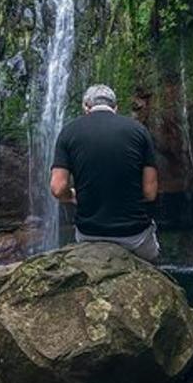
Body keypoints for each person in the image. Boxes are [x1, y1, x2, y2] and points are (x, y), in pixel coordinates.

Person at [50, 84, 160, 261]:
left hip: (90, 234)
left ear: (86, 106)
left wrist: (71, 195)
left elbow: (57, 188)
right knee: (152, 258)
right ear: (115, 108)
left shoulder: (68, 131)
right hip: (134, 236)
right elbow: (150, 193)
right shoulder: (139, 131)